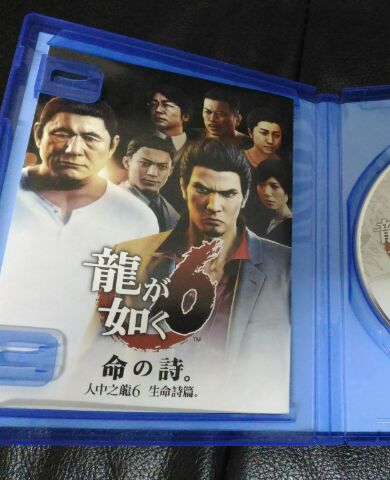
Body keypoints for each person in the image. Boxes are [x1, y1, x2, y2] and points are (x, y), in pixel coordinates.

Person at [110, 138, 290, 407]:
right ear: (183, 188)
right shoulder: (131, 255)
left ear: (244, 198)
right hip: (151, 408)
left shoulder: (287, 266)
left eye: (228, 194)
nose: (214, 205)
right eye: (202, 190)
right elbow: (96, 351)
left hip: (239, 414)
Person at [0, 97, 159, 363]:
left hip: (81, 372)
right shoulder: (6, 188)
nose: (73, 149)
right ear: (38, 134)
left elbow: (132, 310)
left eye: (90, 138)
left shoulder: (138, 218)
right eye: (62, 134)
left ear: (112, 145)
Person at [146, 84, 194, 212]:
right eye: (154, 104)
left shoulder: (199, 150)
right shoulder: (133, 142)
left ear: (185, 116)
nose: (158, 110)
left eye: (166, 105)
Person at [120, 135, 180, 230]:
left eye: (162, 167)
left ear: (170, 171)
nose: (153, 173)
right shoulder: (110, 202)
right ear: (127, 162)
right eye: (145, 164)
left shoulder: (174, 216)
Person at [254, 159, 292, 246]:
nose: (266, 192)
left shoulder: (293, 226)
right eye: (261, 185)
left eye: (275, 186)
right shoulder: (258, 220)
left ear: (287, 190)